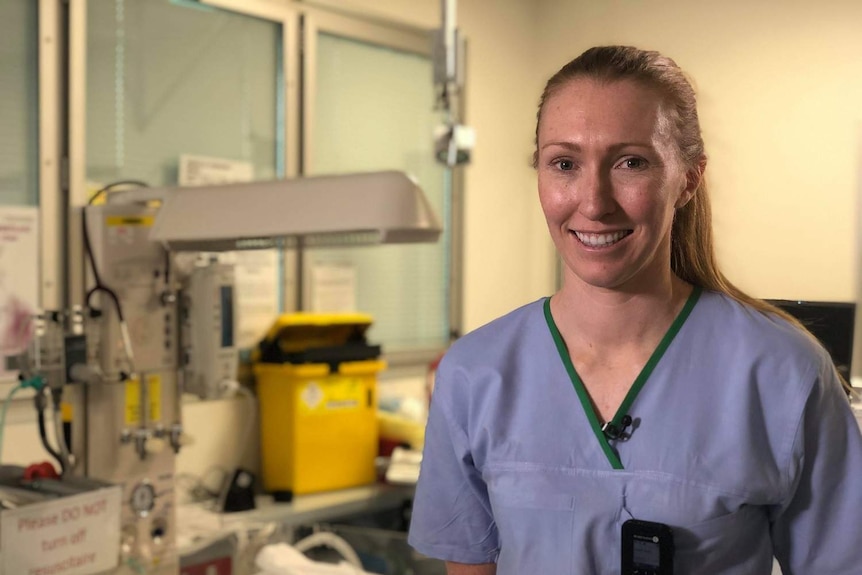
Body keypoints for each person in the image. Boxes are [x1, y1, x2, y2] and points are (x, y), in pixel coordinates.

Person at [407, 45, 862, 574]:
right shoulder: (473, 374)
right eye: (565, 164)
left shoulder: (783, 372)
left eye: (631, 163)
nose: (594, 201)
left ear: (688, 178)